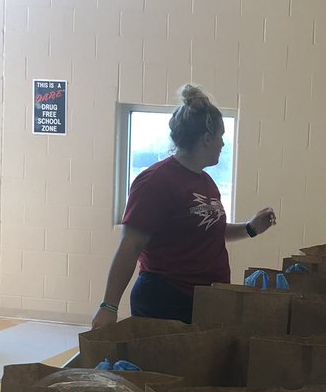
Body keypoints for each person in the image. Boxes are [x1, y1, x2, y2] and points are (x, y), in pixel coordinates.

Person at [91, 85, 276, 327]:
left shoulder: (206, 181)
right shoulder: (156, 180)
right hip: (167, 299)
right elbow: (131, 245)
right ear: (206, 139)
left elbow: (208, 231)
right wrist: (109, 306)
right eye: (220, 136)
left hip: (206, 300)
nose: (223, 144)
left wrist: (249, 228)